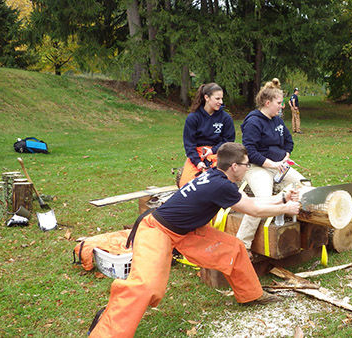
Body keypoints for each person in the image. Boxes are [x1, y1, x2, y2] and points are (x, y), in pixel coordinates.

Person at [88, 142, 301, 337]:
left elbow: (250, 202)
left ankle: (251, 295)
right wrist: (285, 208)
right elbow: (253, 210)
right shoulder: (221, 185)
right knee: (146, 286)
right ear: (234, 166)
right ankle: (106, 330)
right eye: (246, 164)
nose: (248, 168)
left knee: (234, 248)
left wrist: (281, 198)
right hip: (157, 229)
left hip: (186, 231)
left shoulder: (218, 177)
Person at [236, 81, 307, 252]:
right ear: (267, 103)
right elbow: (250, 153)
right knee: (262, 199)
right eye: (278, 103)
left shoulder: (277, 121)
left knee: (304, 185)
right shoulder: (253, 122)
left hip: (278, 166)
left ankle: (295, 226)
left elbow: (289, 142)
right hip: (256, 167)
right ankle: (242, 246)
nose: (282, 106)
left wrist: (285, 159)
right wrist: (273, 164)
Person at [178, 83, 235, 188]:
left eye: (221, 99)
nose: (221, 102)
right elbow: (189, 145)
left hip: (219, 153)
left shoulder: (225, 118)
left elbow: (229, 141)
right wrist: (198, 162)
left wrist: (213, 150)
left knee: (217, 182)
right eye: (217, 99)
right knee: (186, 185)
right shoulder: (193, 117)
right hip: (198, 155)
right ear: (206, 98)